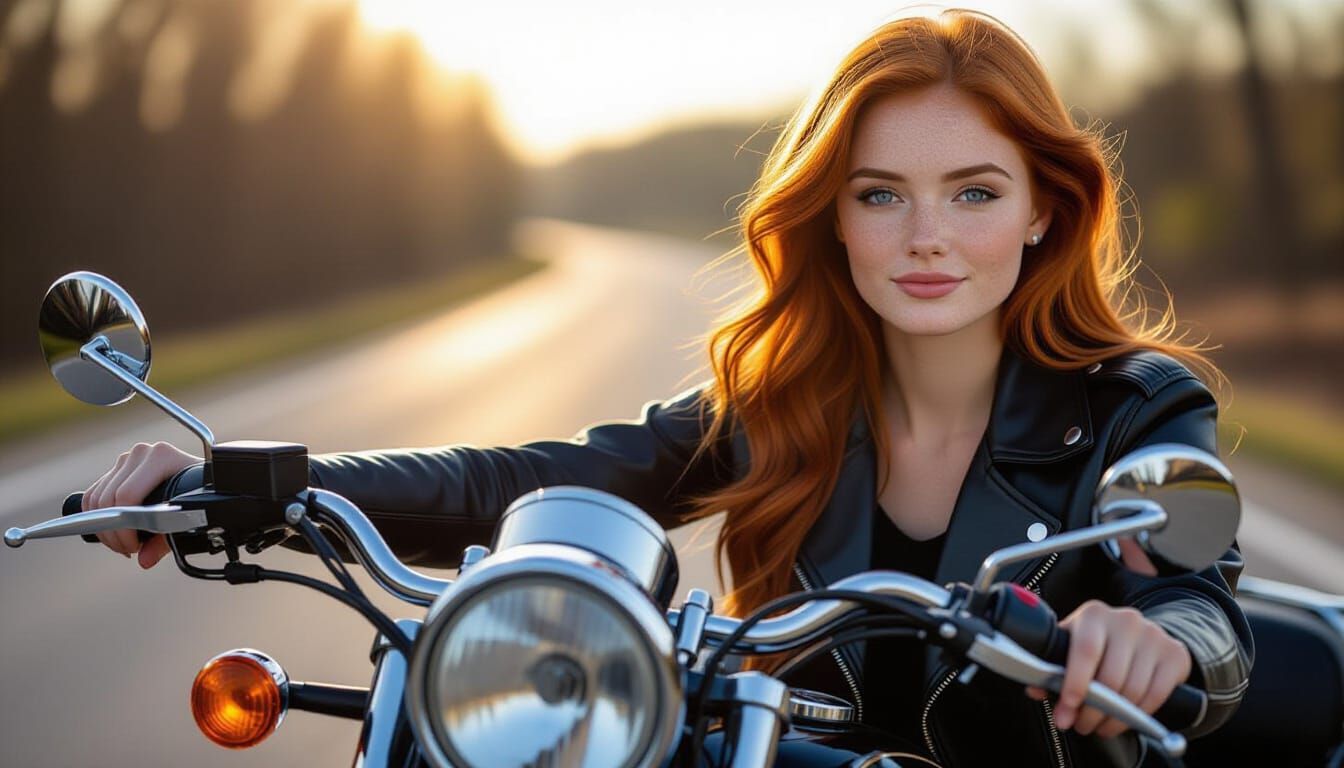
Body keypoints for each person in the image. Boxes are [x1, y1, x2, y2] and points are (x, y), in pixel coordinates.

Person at [84, 9, 1251, 767]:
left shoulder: (1138, 406)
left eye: (976, 193)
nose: (927, 237)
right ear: (833, 216)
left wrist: (1155, 644)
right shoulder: (788, 397)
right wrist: (244, 481)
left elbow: (1208, 606)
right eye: (883, 193)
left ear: (1046, 206)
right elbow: (543, 480)